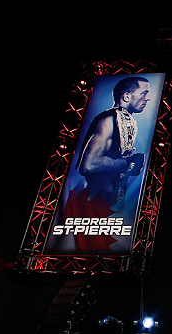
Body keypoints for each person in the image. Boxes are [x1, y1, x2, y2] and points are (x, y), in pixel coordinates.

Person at [61, 76, 151, 253]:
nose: (147, 98)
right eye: (144, 93)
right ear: (126, 96)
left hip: (109, 206)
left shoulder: (126, 119)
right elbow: (89, 164)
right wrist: (126, 163)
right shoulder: (109, 120)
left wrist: (129, 166)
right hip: (94, 208)